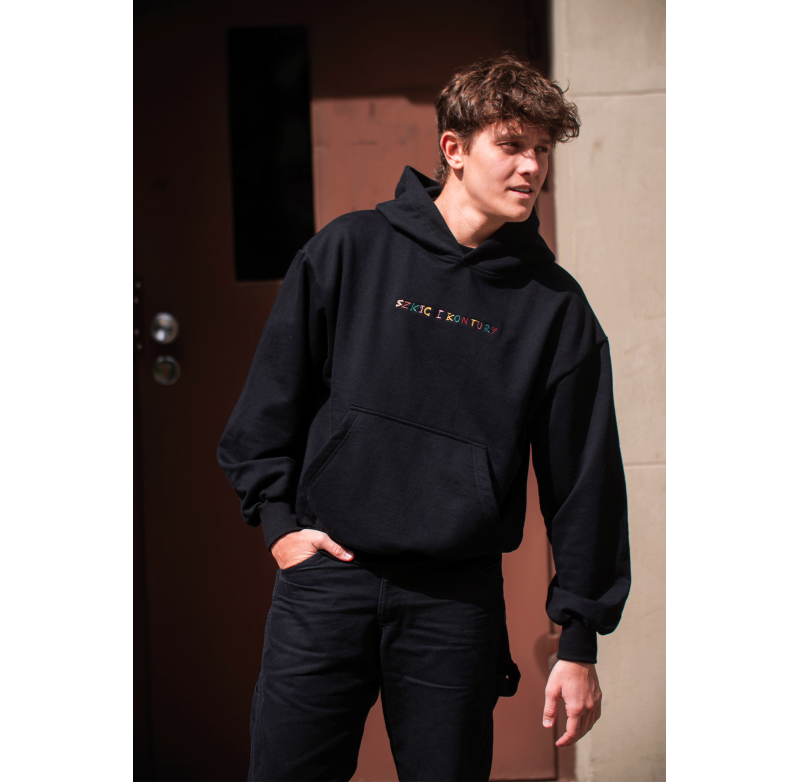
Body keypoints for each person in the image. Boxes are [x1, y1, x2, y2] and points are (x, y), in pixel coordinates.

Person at [218, 52, 630, 782]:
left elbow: (585, 483)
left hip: (453, 602)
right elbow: (264, 414)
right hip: (327, 581)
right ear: (454, 149)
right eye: (512, 144)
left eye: (542, 150)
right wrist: (280, 529)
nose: (532, 167)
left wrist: (578, 640)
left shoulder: (555, 309)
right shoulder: (349, 250)